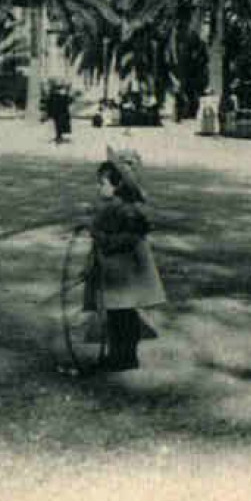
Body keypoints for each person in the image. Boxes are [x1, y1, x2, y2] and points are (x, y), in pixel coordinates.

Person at [85, 148, 166, 372]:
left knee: (122, 315)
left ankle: (125, 357)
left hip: (125, 274)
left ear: (118, 185)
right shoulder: (114, 207)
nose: (98, 187)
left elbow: (129, 237)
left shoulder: (128, 211)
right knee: (116, 315)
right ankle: (119, 355)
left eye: (102, 183)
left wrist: (99, 235)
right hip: (115, 271)